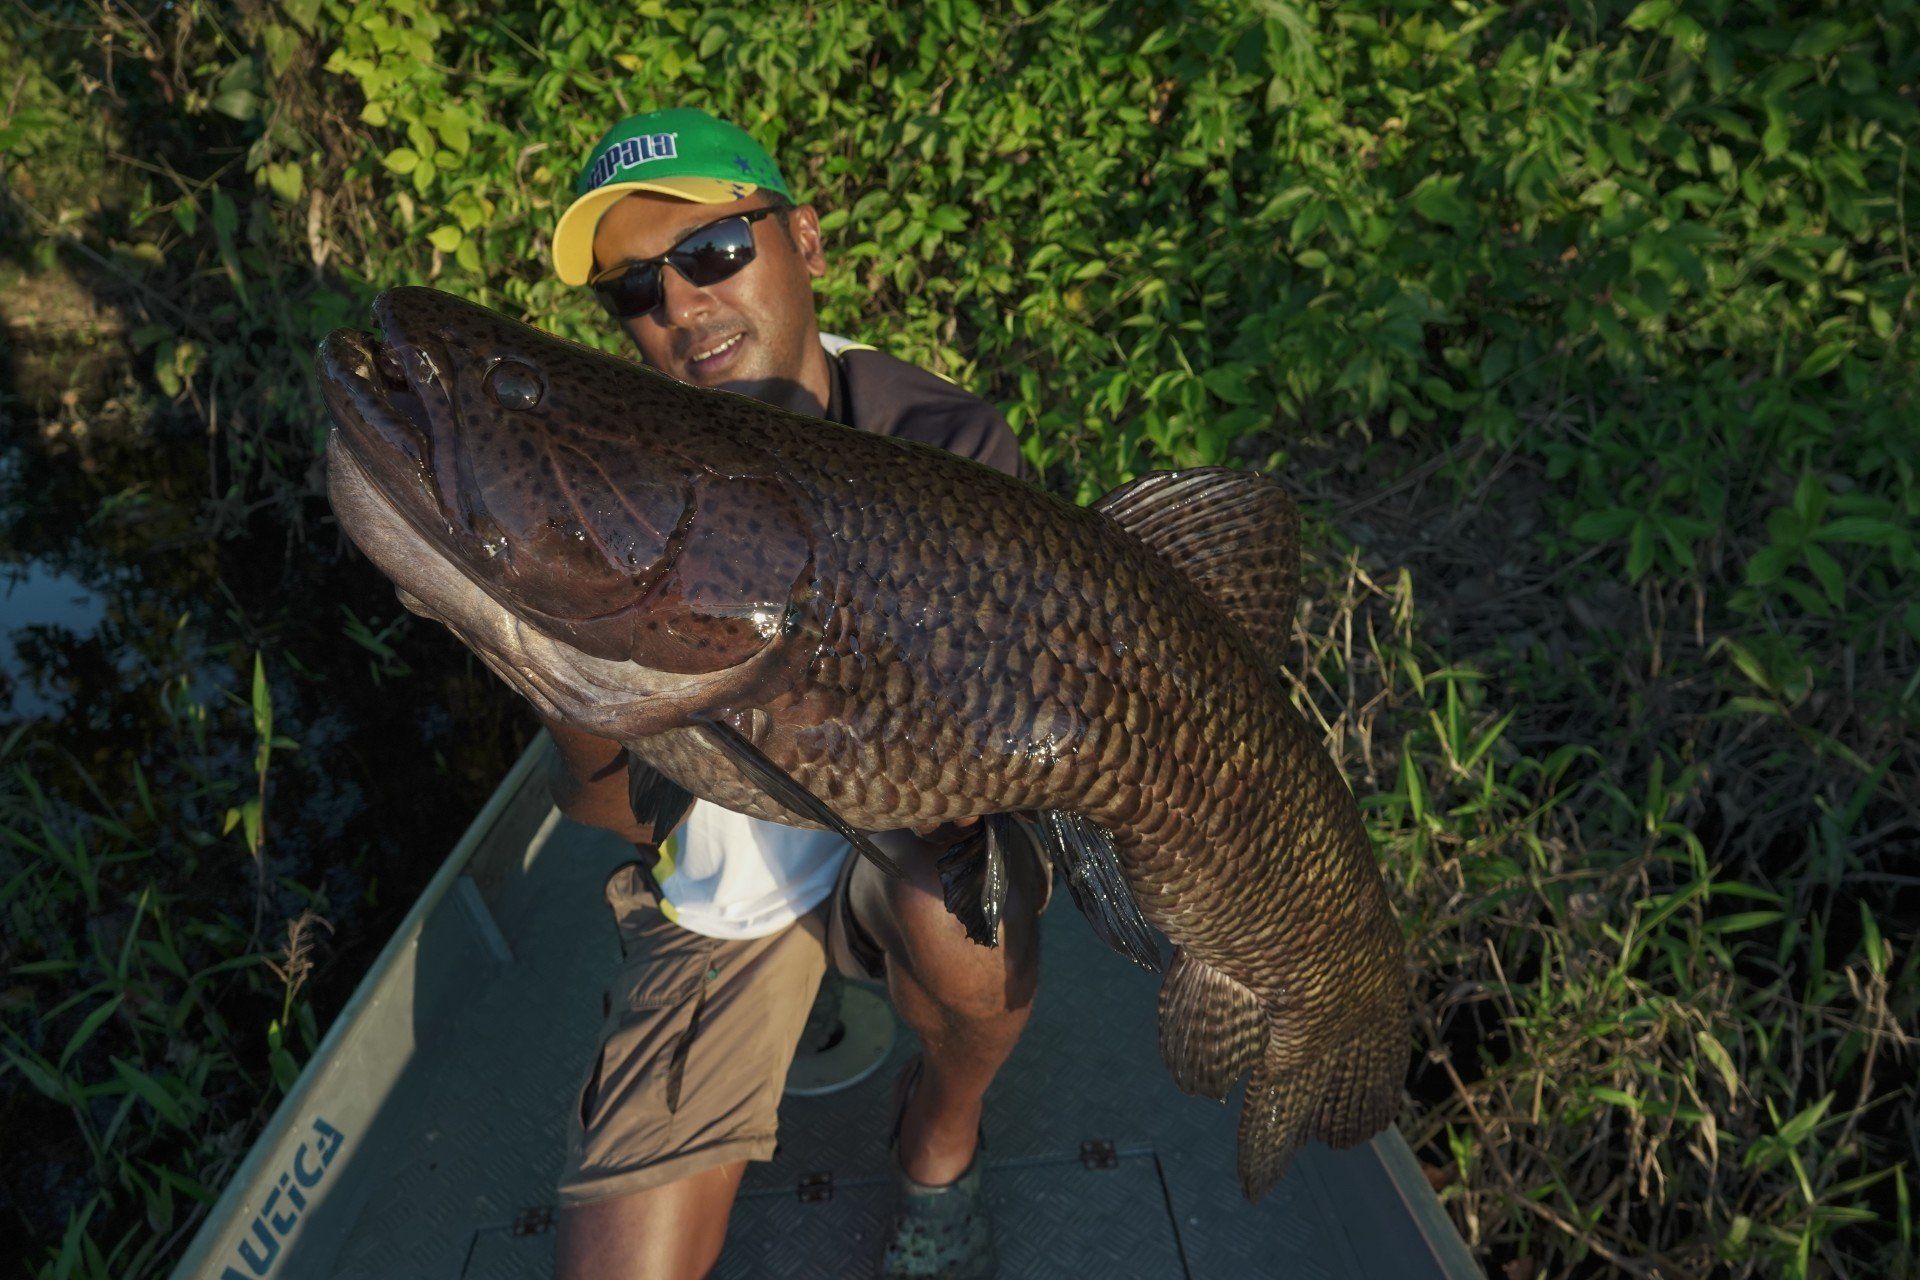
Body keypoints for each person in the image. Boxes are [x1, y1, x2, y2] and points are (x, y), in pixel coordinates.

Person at [540, 107, 1047, 1280]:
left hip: (903, 843)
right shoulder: (609, 497)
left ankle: (941, 1137)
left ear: (804, 242)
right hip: (726, 898)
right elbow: (606, 811)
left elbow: (983, 755)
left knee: (960, 912)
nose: (678, 304)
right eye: (632, 290)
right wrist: (572, 679)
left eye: (712, 250)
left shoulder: (945, 440)